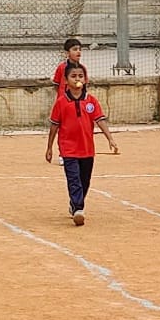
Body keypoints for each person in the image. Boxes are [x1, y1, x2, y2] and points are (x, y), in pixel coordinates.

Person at [47, 65, 120, 226]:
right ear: (66, 80)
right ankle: (79, 209)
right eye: (73, 76)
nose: (77, 79)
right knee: (74, 179)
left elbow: (100, 120)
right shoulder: (61, 102)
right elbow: (54, 125)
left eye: (80, 76)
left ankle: (74, 204)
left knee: (84, 181)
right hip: (68, 149)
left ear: (85, 79)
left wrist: (110, 138)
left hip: (87, 149)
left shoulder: (91, 101)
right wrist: (50, 147)